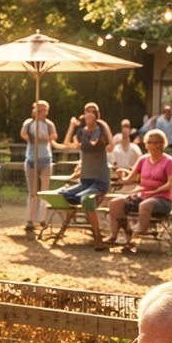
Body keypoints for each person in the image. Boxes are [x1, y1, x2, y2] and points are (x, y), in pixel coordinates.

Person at [106, 130, 172, 253]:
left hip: (162, 198)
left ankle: (139, 230)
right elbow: (129, 179)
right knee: (114, 203)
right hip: (143, 195)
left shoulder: (169, 162)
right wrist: (122, 176)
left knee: (145, 204)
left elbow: (171, 183)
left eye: (151, 142)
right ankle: (118, 234)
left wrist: (157, 190)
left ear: (160, 144)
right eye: (147, 142)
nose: (147, 145)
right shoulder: (143, 160)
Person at [56, 103, 113, 249]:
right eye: (87, 111)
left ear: (97, 114)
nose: (89, 114)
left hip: (99, 180)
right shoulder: (82, 133)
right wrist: (72, 125)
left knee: (86, 199)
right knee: (61, 194)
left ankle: (98, 237)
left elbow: (110, 147)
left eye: (92, 112)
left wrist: (104, 126)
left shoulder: (100, 131)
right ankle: (75, 221)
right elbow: (67, 143)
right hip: (85, 180)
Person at [20, 100, 59, 231]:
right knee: (33, 192)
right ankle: (30, 220)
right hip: (31, 159)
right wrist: (31, 137)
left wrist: (44, 137)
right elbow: (23, 133)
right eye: (39, 110)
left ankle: (41, 218)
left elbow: (54, 136)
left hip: (45, 159)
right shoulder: (29, 123)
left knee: (44, 191)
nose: (42, 112)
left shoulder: (49, 124)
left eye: (44, 110)